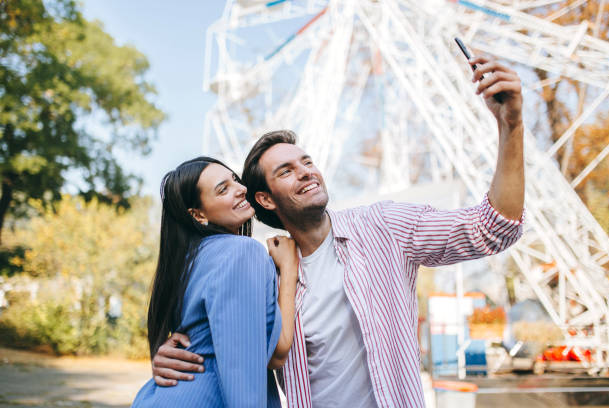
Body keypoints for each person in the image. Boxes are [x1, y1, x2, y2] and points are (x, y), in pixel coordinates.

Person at [151, 55, 525, 407]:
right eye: (286, 171)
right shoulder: (270, 274)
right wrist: (171, 354)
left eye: (307, 162)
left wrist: (511, 125)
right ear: (264, 200)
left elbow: (494, 229)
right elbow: (237, 349)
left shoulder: (384, 227)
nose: (305, 172)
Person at [132, 157, 299, 407]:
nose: (241, 188)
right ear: (198, 214)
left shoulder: (187, 262)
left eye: (234, 179)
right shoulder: (242, 252)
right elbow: (266, 361)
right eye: (223, 189)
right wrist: (288, 268)